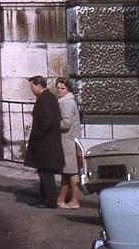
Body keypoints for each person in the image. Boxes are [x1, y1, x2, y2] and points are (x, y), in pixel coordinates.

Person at [25, 75, 64, 209]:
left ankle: (49, 201)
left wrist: (36, 135)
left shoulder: (45, 99)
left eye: (32, 86)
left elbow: (46, 123)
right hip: (46, 143)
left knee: (46, 174)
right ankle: (43, 199)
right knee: (43, 172)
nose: (31, 89)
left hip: (45, 143)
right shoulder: (48, 98)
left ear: (38, 86)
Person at [55, 77, 82, 209]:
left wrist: (52, 124)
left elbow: (66, 124)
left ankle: (75, 201)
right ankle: (61, 199)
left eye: (62, 88)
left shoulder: (67, 103)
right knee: (66, 171)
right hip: (67, 140)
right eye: (58, 88)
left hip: (69, 141)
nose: (59, 90)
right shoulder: (65, 101)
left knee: (72, 172)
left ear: (68, 89)